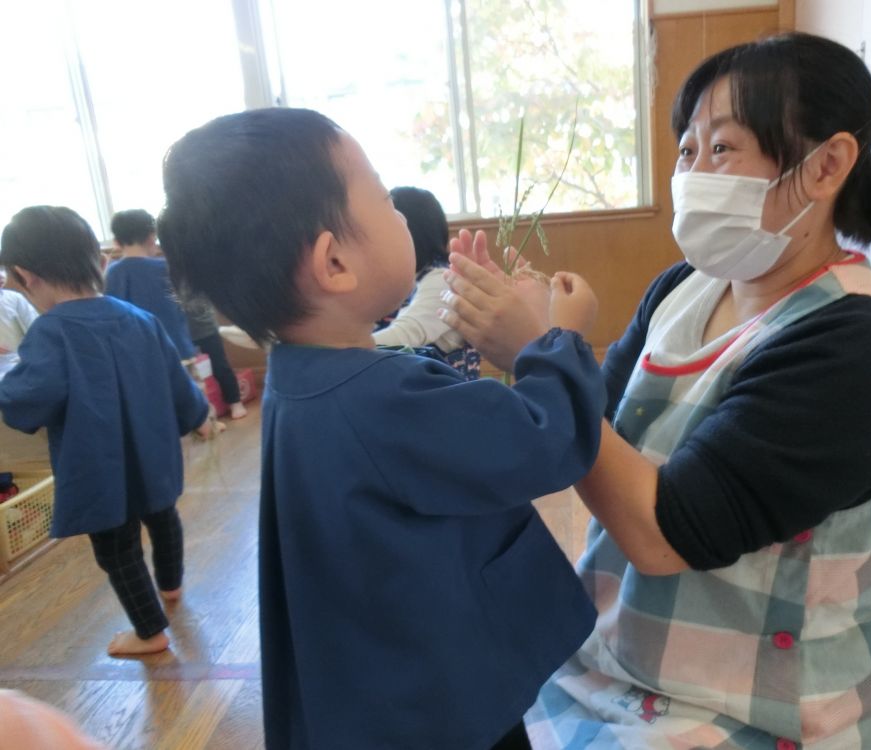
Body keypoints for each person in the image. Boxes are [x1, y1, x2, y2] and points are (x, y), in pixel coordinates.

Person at [443, 32, 871, 750]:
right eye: (686, 151)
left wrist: (541, 354)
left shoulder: (865, 345)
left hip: (754, 713)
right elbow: (578, 443)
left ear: (826, 165)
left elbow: (666, 535)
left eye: (724, 149)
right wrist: (547, 350)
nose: (695, 171)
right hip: (612, 659)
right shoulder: (680, 290)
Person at [156, 106, 606, 750]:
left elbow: (407, 397)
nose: (401, 215)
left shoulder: (306, 375)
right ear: (334, 263)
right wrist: (554, 338)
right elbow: (543, 439)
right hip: (439, 704)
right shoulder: (380, 400)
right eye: (385, 198)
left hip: (380, 687)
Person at [0, 206, 211, 657]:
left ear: (24, 275)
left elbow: (27, 398)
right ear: (98, 261)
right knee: (163, 515)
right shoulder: (139, 318)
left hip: (99, 467)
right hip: (153, 453)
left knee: (117, 549)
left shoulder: (50, 333)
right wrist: (198, 416)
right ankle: (171, 587)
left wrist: (7, 377)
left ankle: (149, 630)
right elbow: (177, 381)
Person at [373, 186, 481, 379]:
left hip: (443, 400)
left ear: (411, 231)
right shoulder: (398, 281)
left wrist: (333, 350)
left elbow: (407, 336)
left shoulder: (443, 278)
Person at [105, 208, 196, 360]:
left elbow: (111, 316)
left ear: (116, 242)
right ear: (151, 237)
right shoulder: (166, 268)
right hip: (177, 348)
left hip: (138, 354)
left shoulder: (113, 272)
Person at [182, 295, 247, 419]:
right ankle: (200, 411)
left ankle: (234, 401)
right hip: (182, 332)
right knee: (189, 372)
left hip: (204, 328)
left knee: (219, 365)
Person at [0, 270, 38, 379]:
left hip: (16, 366)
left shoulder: (14, 299)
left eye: (2, 269)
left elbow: (36, 331)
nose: (1, 275)